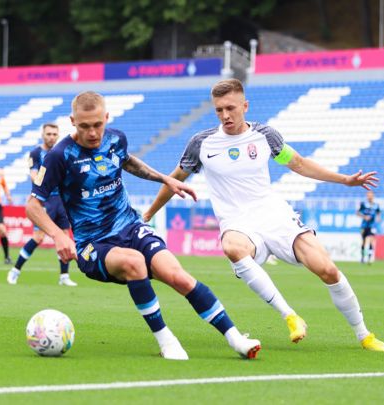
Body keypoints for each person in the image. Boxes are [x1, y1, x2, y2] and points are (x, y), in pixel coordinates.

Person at [143, 78, 384, 352]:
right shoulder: (202, 143)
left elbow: (298, 164)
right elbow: (174, 180)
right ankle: (290, 316)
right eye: (219, 110)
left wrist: (344, 180)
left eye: (230, 108)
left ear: (245, 106)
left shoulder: (265, 136)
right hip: (237, 222)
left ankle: (364, 335)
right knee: (232, 247)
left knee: (327, 269)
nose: (225, 115)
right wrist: (148, 214)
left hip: (274, 214)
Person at [26, 91, 261, 360]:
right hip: (93, 243)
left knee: (178, 276)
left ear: (106, 118)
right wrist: (58, 235)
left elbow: (127, 161)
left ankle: (235, 338)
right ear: (72, 121)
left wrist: (165, 179)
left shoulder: (116, 139)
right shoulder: (59, 156)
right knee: (134, 262)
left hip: (130, 227)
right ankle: (167, 341)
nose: (92, 133)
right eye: (84, 126)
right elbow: (32, 206)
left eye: (97, 125)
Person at [7, 123, 77, 286]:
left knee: (65, 237)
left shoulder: (62, 152)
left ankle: (64, 276)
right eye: (48, 134)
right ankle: (15, 270)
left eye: (54, 134)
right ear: (42, 135)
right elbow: (33, 175)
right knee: (38, 237)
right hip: (45, 200)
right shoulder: (36, 153)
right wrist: (47, 182)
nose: (51, 137)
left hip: (61, 200)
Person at [357, 190, 381, 264]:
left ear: (373, 196)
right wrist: (364, 217)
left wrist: (378, 218)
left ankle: (370, 258)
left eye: (371, 195)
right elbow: (357, 213)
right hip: (364, 225)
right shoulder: (363, 204)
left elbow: (378, 213)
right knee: (364, 241)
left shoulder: (376, 205)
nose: (369, 196)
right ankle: (362, 258)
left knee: (371, 240)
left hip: (372, 225)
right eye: (368, 195)